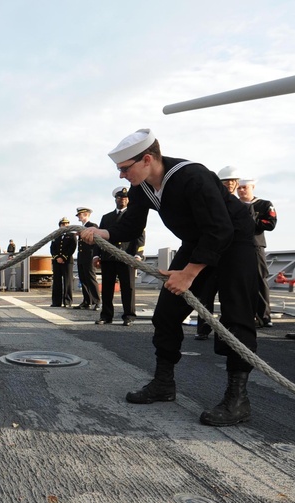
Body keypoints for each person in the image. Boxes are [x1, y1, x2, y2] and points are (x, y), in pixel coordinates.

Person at [80, 129, 258, 427]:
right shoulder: (143, 189)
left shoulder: (192, 177)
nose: (122, 176)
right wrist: (104, 233)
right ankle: (164, 383)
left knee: (237, 317)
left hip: (233, 240)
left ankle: (238, 399)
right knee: (166, 313)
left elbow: (220, 229)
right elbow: (131, 227)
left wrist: (188, 274)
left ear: (147, 159)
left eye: (125, 169)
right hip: (197, 242)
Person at [194, 166, 243, 339]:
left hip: (231, 258)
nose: (229, 184)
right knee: (206, 295)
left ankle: (228, 332)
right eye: (225, 181)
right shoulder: (210, 203)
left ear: (237, 183)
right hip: (212, 257)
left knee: (230, 296)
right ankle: (203, 329)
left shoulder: (243, 206)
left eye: (232, 181)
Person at [94, 188, 145, 326]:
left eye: (125, 198)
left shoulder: (134, 215)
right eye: (119, 197)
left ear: (128, 200)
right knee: (107, 289)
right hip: (108, 258)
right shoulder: (106, 217)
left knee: (128, 288)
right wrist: (96, 256)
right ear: (115, 199)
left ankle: (129, 316)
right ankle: (106, 316)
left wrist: (138, 255)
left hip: (126, 257)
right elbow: (99, 237)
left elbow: (140, 236)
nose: (122, 199)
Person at [237, 178, 278, 328]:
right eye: (239, 188)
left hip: (255, 246)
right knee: (238, 282)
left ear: (252, 187)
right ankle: (242, 315)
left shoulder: (264, 204)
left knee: (260, 280)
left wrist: (251, 221)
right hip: (236, 247)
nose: (241, 190)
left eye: (244, 187)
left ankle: (264, 316)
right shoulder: (232, 205)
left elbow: (271, 224)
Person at [73, 207, 100, 310]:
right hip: (81, 257)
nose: (79, 216)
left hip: (89, 256)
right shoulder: (81, 227)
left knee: (91, 279)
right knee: (83, 279)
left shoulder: (92, 226)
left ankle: (97, 301)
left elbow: (95, 242)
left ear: (86, 214)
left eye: (80, 214)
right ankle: (86, 301)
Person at [49, 217, 76, 307]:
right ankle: (56, 302)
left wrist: (63, 257)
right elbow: (52, 248)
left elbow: (72, 247)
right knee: (56, 281)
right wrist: (57, 257)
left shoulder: (72, 235)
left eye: (66, 224)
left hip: (67, 261)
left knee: (67, 281)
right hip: (57, 262)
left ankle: (67, 301)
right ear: (60, 225)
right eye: (63, 224)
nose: (65, 225)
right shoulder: (55, 236)